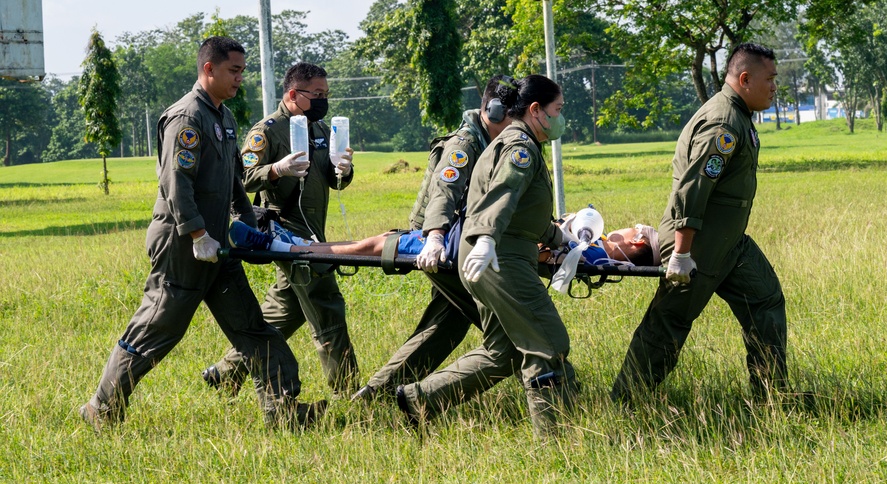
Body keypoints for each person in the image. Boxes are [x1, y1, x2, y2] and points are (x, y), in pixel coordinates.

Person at [79, 37, 325, 431]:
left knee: (252, 326)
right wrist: (197, 235)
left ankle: (283, 411)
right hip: (183, 243)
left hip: (217, 244)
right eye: (234, 70)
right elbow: (177, 185)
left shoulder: (223, 118)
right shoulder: (186, 118)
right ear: (209, 69)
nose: (240, 79)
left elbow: (233, 181)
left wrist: (247, 222)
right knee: (158, 329)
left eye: (243, 70)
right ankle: (101, 409)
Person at [396, 74, 576, 437]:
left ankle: (420, 399)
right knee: (548, 344)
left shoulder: (514, 142)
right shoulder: (519, 148)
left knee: (503, 352)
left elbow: (526, 211)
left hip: (492, 254)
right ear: (536, 110)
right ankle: (557, 440)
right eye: (558, 110)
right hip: (500, 258)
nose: (561, 119)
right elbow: (502, 195)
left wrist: (561, 237)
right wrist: (487, 239)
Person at [610, 42, 788, 406]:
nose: (774, 87)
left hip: (730, 244)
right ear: (744, 78)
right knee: (668, 323)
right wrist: (681, 254)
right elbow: (693, 190)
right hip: (699, 245)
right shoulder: (724, 122)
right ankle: (625, 401)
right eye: (769, 80)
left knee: (765, 299)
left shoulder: (738, 116)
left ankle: (772, 396)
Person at [202, 62, 358, 397]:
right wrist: (276, 169)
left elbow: (333, 179)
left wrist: (344, 169)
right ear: (292, 94)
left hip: (313, 233)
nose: (322, 101)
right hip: (286, 234)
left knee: (286, 308)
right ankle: (349, 391)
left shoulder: (318, 129)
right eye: (316, 94)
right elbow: (240, 177)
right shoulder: (268, 131)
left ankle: (227, 371)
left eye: (325, 95)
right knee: (326, 305)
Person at [228, 218, 657, 268]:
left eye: (631, 231)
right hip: (458, 238)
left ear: (637, 244)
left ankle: (284, 249)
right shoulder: (598, 246)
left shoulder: (601, 253)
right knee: (374, 242)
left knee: (372, 246)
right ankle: (292, 245)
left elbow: (546, 250)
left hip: (459, 247)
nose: (622, 229)